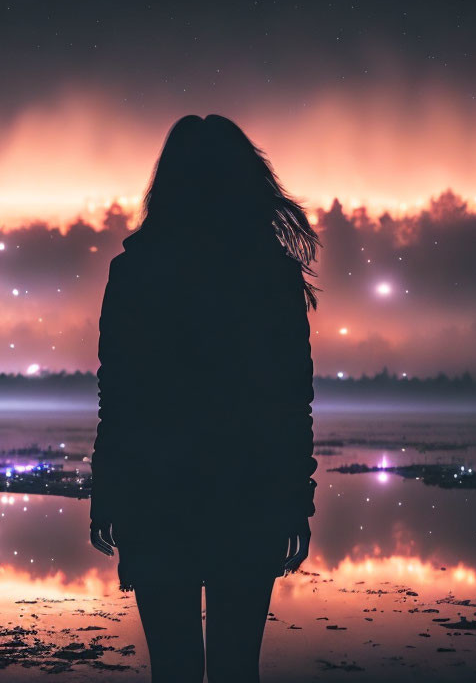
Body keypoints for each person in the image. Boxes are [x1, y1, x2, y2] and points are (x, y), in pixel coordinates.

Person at [89, 114, 319, 682]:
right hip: (249, 493)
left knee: (173, 669)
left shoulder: (136, 271)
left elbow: (118, 397)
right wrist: (294, 501)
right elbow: (290, 401)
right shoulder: (271, 276)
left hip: (157, 495)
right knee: (238, 667)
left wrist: (110, 493)